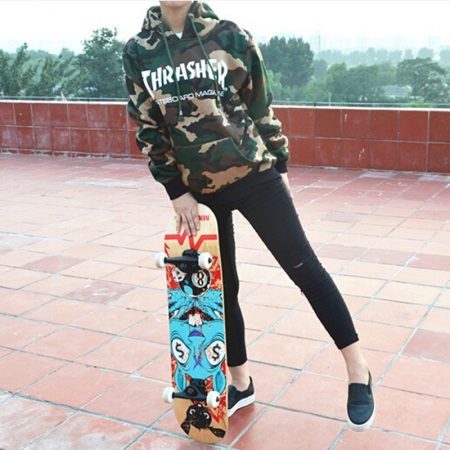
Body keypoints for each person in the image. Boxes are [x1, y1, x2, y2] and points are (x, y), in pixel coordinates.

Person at [123, 0, 375, 430]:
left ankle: (358, 369)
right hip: (198, 194)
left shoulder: (229, 35)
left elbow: (259, 104)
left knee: (304, 268)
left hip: (254, 174)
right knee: (221, 291)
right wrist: (176, 190)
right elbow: (147, 125)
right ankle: (241, 382)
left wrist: (281, 164)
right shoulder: (138, 50)